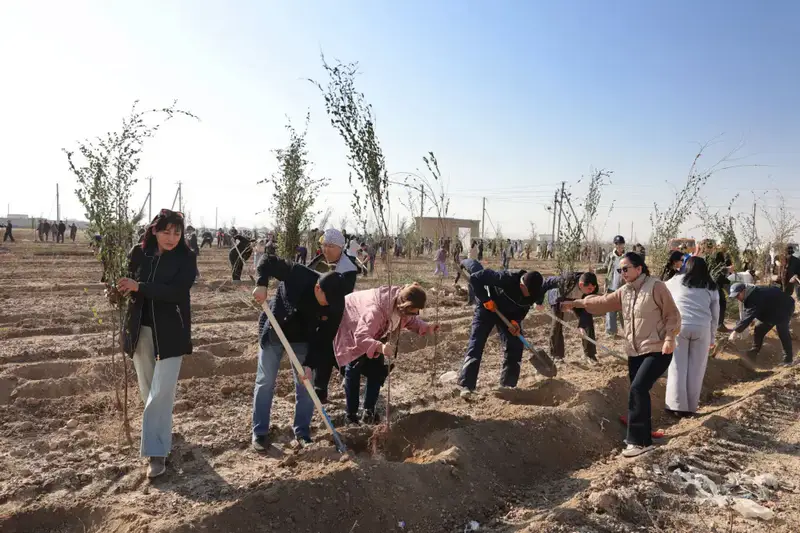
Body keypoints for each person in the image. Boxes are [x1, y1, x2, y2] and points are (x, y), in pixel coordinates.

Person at [564, 252, 680, 458]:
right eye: (620, 270)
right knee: (638, 391)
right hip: (635, 351)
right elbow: (603, 302)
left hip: (658, 348)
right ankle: (643, 435)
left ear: (639, 268)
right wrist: (576, 303)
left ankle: (638, 442)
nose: (622, 273)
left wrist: (670, 338)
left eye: (625, 268)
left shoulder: (656, 286)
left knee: (638, 388)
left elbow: (672, 314)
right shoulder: (625, 291)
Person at [116, 209, 197, 478]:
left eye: (177, 232)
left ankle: (157, 453)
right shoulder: (139, 254)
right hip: (141, 330)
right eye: (166, 231)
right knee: (148, 389)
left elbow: (176, 293)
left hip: (172, 332)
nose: (172, 237)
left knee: (161, 393)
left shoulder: (186, 258)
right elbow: (123, 283)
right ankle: (160, 432)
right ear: (154, 230)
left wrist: (141, 287)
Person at [251, 255, 346, 450]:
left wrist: (310, 364)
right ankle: (259, 432)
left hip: (304, 340)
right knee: (266, 381)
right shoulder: (298, 274)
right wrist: (262, 284)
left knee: (305, 385)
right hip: (275, 329)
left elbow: (324, 339)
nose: (329, 306)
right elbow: (267, 261)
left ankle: (302, 432)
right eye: (326, 301)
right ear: (318, 288)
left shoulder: (336, 305)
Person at [335, 284, 438, 424]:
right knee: (354, 368)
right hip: (352, 322)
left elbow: (410, 320)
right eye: (414, 311)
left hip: (375, 330)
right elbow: (360, 336)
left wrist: (426, 327)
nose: (415, 314)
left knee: (377, 372)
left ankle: (369, 411)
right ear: (404, 306)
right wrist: (380, 347)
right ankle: (350, 414)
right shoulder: (376, 311)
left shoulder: (402, 307)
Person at [457, 267, 548, 397]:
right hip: (488, 308)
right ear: (522, 284)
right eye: (527, 292)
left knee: (516, 345)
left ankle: (508, 386)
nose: (529, 296)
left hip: (509, 316)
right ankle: (467, 385)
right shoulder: (506, 277)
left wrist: (516, 322)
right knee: (477, 342)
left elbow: (524, 308)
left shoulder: (535, 292)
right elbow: (476, 278)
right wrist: (485, 300)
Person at [307, 229, 359, 403]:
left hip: (337, 317)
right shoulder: (318, 262)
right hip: (318, 315)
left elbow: (343, 294)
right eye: (325, 245)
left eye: (331, 246)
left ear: (340, 247)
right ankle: (320, 390)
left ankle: (351, 380)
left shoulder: (348, 269)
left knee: (337, 353)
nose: (327, 249)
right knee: (322, 353)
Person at [663, 256, 718, 417]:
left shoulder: (676, 281)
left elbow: (662, 288)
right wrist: (712, 338)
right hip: (703, 328)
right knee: (696, 369)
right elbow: (715, 315)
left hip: (680, 327)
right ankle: (691, 407)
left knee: (677, 366)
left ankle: (676, 405)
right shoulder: (712, 286)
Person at [728, 282, 795, 366]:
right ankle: (753, 352)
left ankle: (788, 359)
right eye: (735, 297)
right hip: (772, 310)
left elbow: (749, 314)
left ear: (743, 291)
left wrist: (735, 331)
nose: (737, 298)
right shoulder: (750, 295)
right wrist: (750, 319)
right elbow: (748, 313)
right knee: (759, 328)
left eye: (737, 295)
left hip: (785, 306)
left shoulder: (755, 296)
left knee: (782, 330)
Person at [545, 272, 599, 362]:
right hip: (558, 297)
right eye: (590, 288)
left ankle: (590, 354)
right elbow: (547, 283)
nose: (592, 290)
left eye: (593, 288)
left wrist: (582, 325)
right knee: (557, 324)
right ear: (581, 285)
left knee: (588, 322)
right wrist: (539, 302)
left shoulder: (591, 289)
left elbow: (586, 310)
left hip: (577, 299)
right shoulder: (565, 282)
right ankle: (556, 355)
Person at [604, 236, 626, 337]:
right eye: (617, 244)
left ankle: (627, 331)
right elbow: (605, 268)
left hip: (623, 287)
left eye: (621, 244)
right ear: (615, 245)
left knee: (624, 310)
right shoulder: (610, 256)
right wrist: (595, 271)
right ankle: (611, 332)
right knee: (610, 310)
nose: (619, 246)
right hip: (611, 286)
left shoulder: (626, 257)